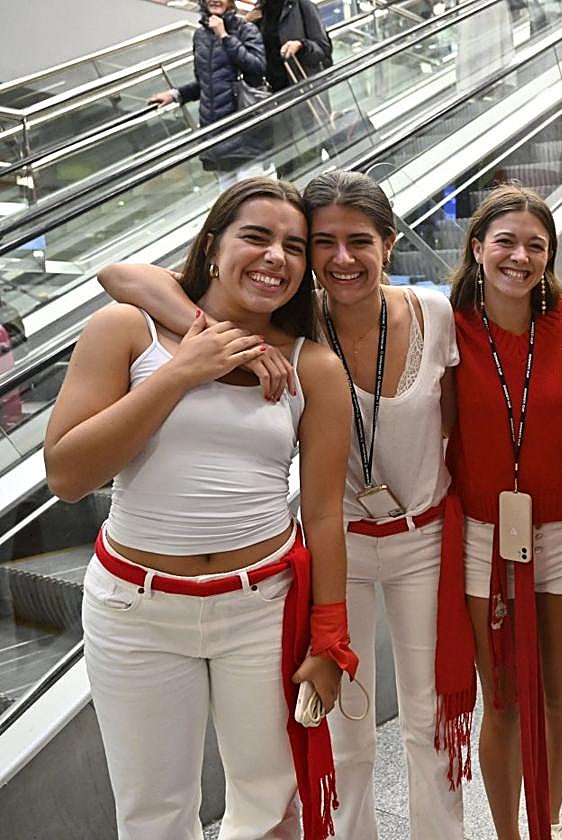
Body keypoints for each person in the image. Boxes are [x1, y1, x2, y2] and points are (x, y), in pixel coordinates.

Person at [97, 169, 472, 840]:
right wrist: (207, 334)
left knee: (429, 717)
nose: (341, 259)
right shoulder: (287, 325)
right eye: (322, 242)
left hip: (418, 538)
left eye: (359, 240)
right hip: (334, 547)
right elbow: (119, 274)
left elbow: (458, 421)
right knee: (345, 725)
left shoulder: (427, 315)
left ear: (390, 243)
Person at [44, 177, 357, 840]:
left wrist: (330, 640)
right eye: (256, 236)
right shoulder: (127, 329)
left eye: (293, 246)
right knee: (153, 816)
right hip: (136, 613)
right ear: (212, 247)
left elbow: (325, 514)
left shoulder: (313, 366)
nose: (276, 255)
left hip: (262, 608)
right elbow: (69, 476)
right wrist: (184, 369)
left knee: (271, 810)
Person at [445, 184, 562, 840]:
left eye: (536, 245)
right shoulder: (444, 327)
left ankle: (548, 823)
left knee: (561, 694)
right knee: (504, 701)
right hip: (485, 532)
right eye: (505, 241)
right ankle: (509, 834)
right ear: (477, 248)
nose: (519, 256)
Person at [149, 0, 268, 177]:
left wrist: (225, 37)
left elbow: (257, 67)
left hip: (244, 129)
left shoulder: (245, 29)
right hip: (215, 135)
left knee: (251, 196)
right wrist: (176, 94)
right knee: (227, 201)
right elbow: (205, 83)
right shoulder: (200, 35)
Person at [248, 0, 334, 92]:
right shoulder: (260, 10)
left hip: (304, 86)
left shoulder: (301, 5)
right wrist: (246, 23)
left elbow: (323, 49)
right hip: (274, 90)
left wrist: (301, 45)